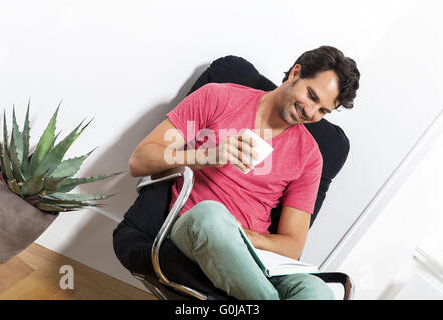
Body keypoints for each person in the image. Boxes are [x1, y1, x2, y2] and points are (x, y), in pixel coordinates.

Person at [129, 46, 360, 300]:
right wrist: (205, 156)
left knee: (316, 291)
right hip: (197, 227)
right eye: (311, 96)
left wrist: (240, 233)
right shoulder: (218, 98)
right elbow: (140, 160)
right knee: (212, 215)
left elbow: (292, 246)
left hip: (254, 255)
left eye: (323, 110)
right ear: (296, 73)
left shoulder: (310, 156)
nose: (311, 113)